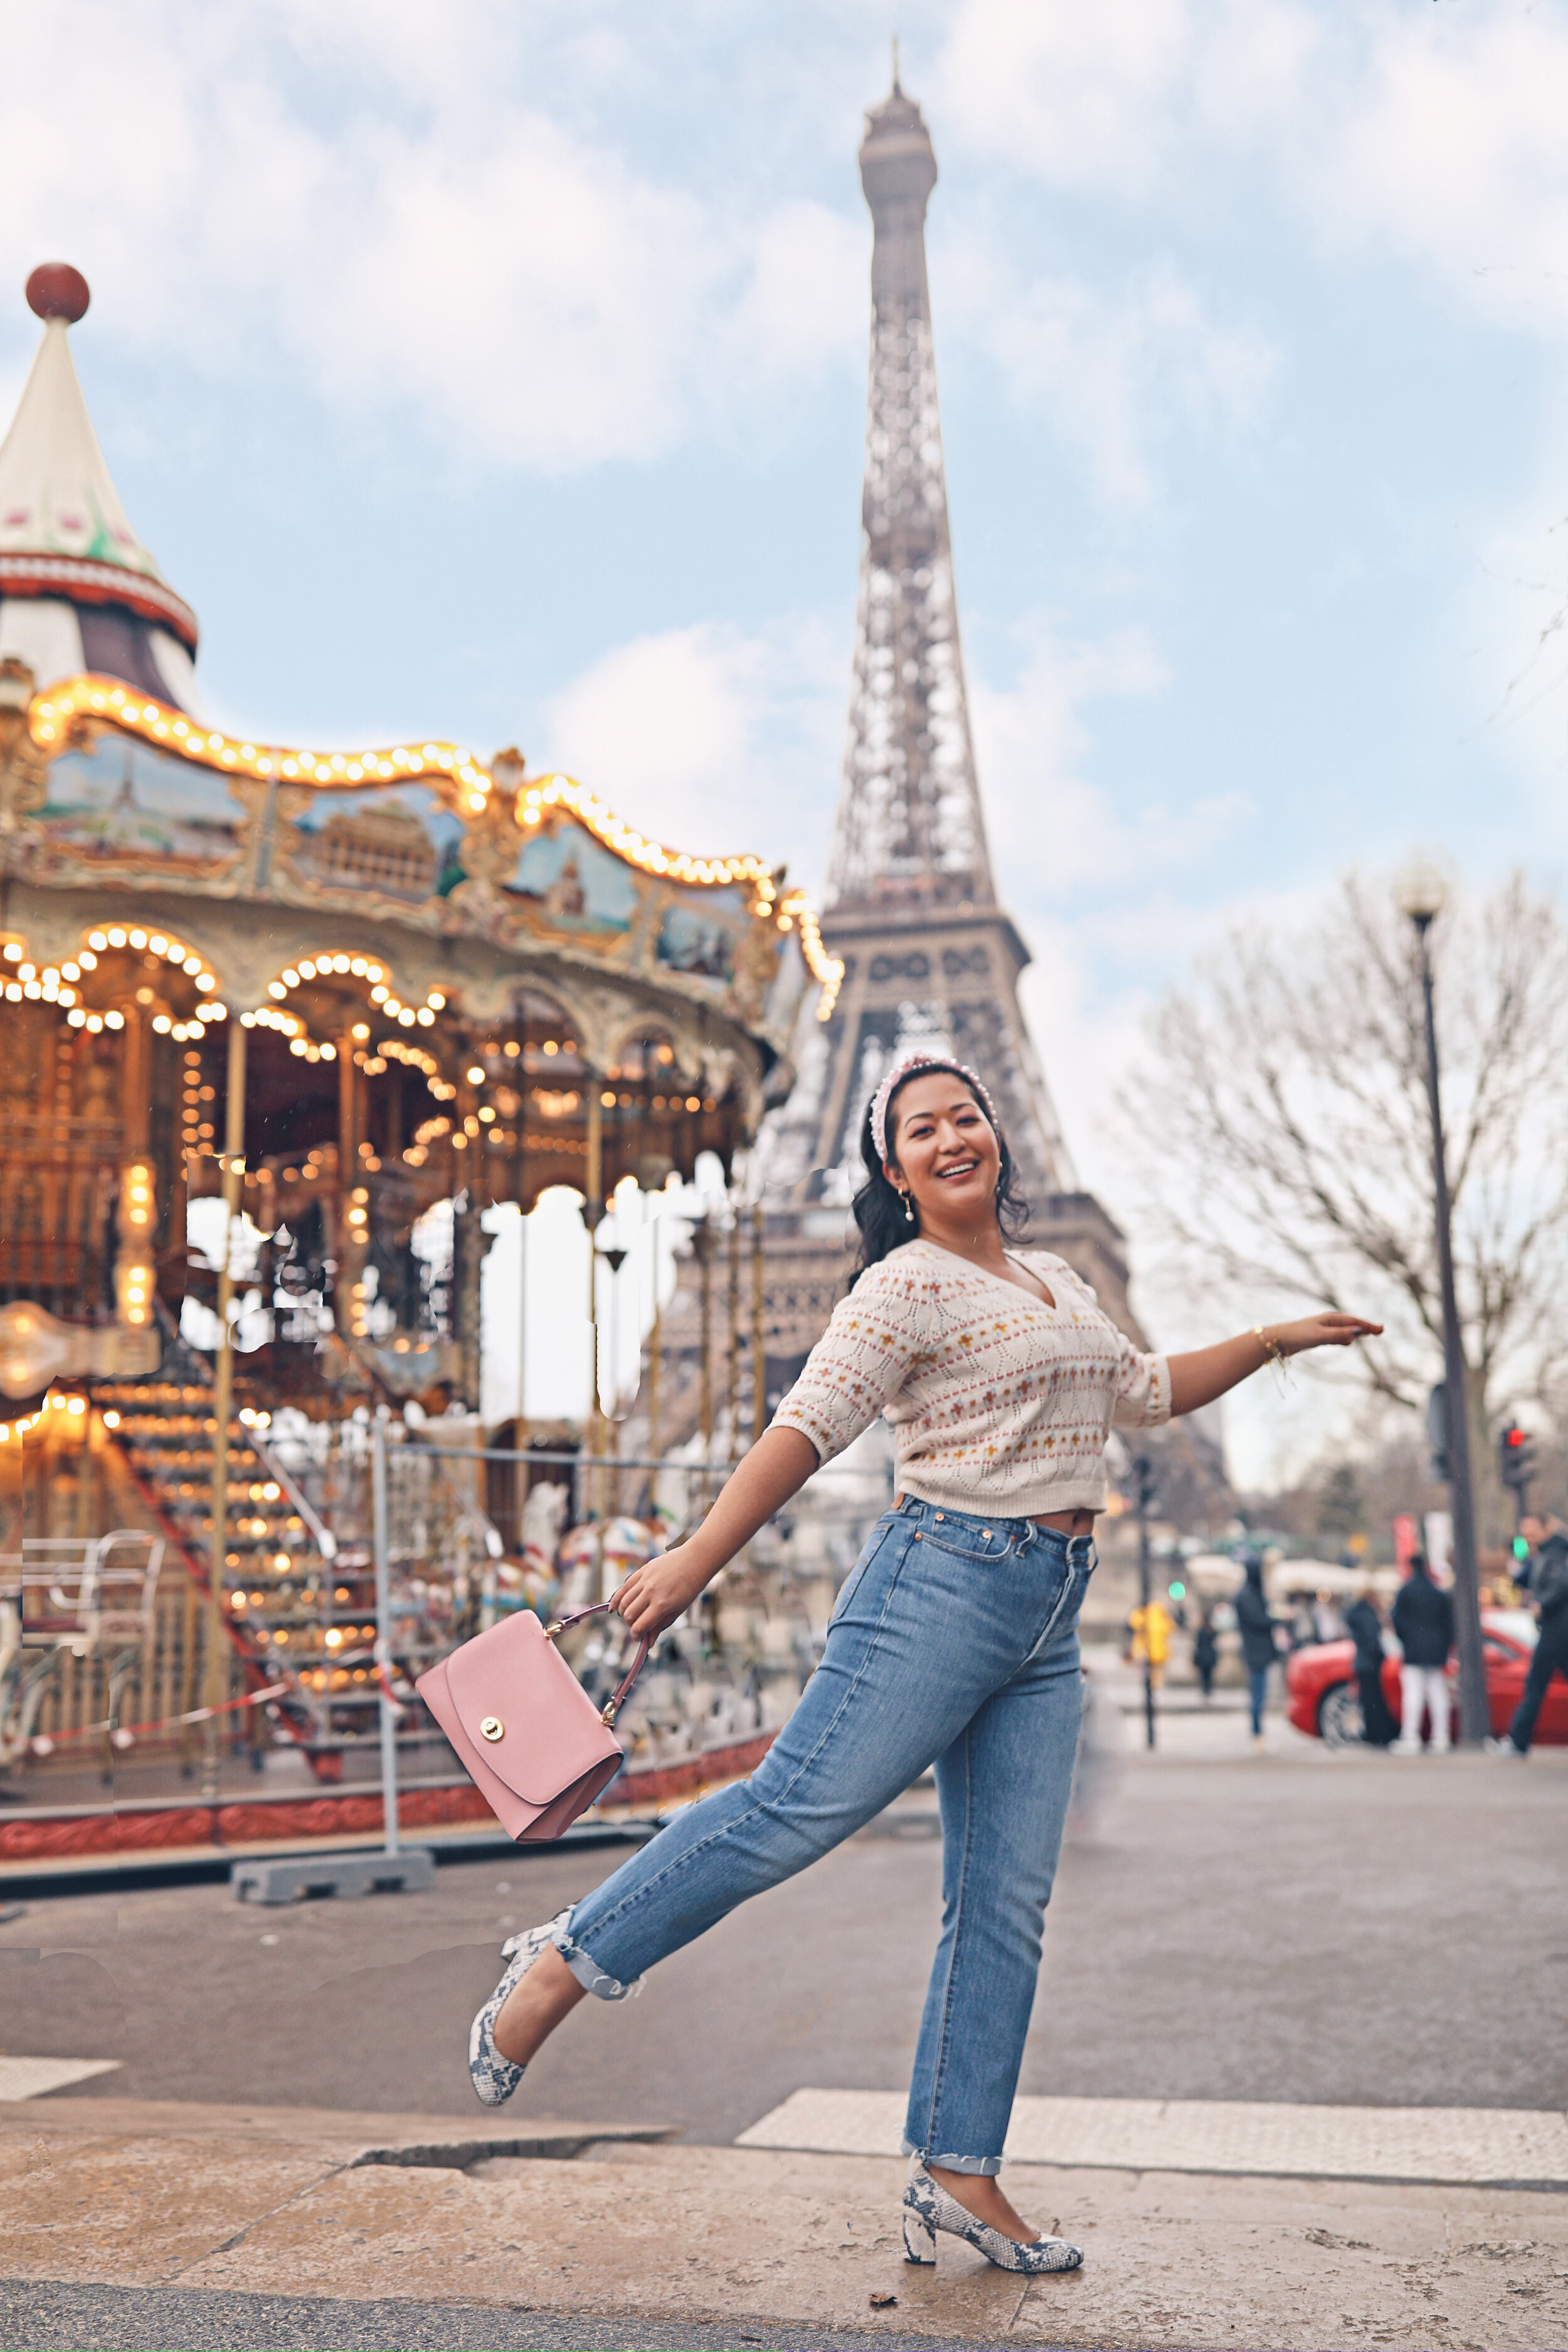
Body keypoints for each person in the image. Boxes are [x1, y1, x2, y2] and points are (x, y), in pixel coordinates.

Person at [465, 1056, 1380, 2275]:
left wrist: (1270, 1340)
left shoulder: (1055, 1278)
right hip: (937, 1583)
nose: (950, 1137)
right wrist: (693, 1561)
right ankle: (569, 1956)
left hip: (1048, 1612)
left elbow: (1146, 1393)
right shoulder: (899, 1286)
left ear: (996, 1137)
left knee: (1002, 1902)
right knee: (792, 1812)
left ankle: (957, 2169)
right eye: (919, 1129)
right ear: (893, 1170)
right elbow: (804, 1427)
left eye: (965, 1116)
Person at [1490, 1513, 1567, 1758]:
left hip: (1557, 1629)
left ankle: (1518, 1740)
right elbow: (1521, 1579)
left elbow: (1561, 1584)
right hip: (1556, 1629)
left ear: (1546, 1528)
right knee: (1535, 1686)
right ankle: (1517, 1740)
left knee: (1534, 1686)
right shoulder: (1541, 1554)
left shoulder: (1555, 1552)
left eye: (1531, 1528)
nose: (1527, 1534)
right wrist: (1520, 1556)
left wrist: (1541, 1605)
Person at [1390, 1552, 1453, 1754]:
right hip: (1436, 1650)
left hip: (1413, 1649)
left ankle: (1411, 1737)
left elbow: (1397, 1621)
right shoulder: (1438, 1592)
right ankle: (1441, 1737)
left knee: (1413, 1694)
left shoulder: (1405, 1592)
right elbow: (1449, 1623)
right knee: (1438, 1693)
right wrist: (1445, 1646)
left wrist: (1406, 1640)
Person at [1233, 1554, 1280, 1750]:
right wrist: (1276, 1620)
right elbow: (1258, 1620)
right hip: (1256, 1651)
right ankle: (1257, 1732)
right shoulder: (1246, 1595)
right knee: (1258, 1694)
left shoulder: (1249, 1593)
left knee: (1260, 1693)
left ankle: (1258, 1731)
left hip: (1258, 1649)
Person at [1342, 1584, 1397, 1748]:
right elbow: (1371, 1639)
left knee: (1369, 1702)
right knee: (1374, 1701)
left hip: (1364, 1663)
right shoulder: (1366, 1615)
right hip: (1370, 1664)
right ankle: (1378, 1734)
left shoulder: (1358, 1613)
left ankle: (1373, 1733)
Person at [1192, 1608, 1219, 1702]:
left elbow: (1197, 1643)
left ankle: (1205, 1690)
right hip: (1209, 1655)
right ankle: (1207, 1690)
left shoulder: (1201, 1630)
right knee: (1209, 1675)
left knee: (1204, 1675)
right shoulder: (1211, 1630)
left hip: (1203, 1656)